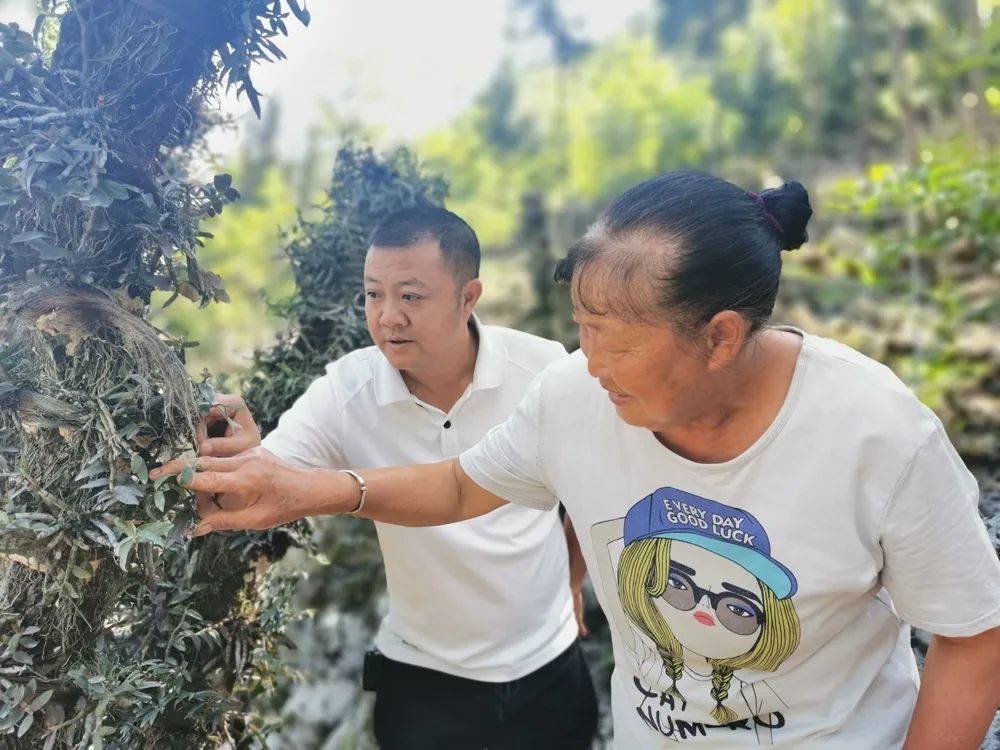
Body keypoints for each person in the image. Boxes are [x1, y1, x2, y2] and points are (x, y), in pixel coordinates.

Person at [155, 173, 1000, 749]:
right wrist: (298, 489)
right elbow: (460, 483)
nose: (585, 358)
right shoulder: (572, 397)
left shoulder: (876, 434)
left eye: (609, 337)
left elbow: (973, 635)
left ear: (720, 338)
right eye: (581, 326)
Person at [194, 206, 598, 750]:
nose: (388, 317)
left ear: (468, 296)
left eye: (410, 296)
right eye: (373, 294)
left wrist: (572, 580)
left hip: (550, 666)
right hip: (424, 682)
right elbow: (266, 480)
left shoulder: (542, 370)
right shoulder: (348, 390)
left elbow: (585, 495)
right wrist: (238, 455)